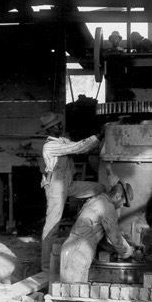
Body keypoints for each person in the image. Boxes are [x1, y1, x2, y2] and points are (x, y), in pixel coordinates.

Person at [40, 112, 106, 272]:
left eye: (60, 123)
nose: (60, 126)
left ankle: (89, 217)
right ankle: (46, 267)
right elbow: (75, 147)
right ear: (49, 129)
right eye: (56, 125)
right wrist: (97, 136)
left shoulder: (62, 140)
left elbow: (80, 147)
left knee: (99, 189)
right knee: (52, 225)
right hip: (55, 188)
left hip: (67, 184)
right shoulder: (50, 146)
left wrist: (96, 141)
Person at [60, 180, 135, 283]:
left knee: (73, 292)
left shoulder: (97, 200)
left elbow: (102, 240)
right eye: (123, 203)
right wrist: (129, 252)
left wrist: (114, 249)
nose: (121, 206)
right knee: (72, 292)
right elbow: (115, 236)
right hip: (78, 251)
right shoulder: (107, 207)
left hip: (73, 249)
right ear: (117, 196)